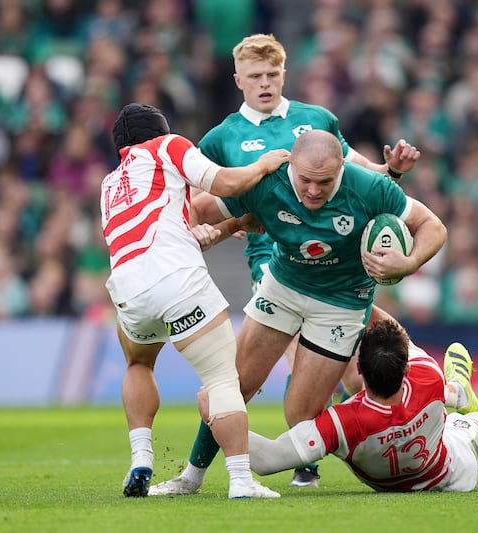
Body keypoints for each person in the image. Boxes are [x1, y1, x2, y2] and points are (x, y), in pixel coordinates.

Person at [150, 32, 423, 492]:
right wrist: (203, 230)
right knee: (246, 375)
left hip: (337, 257)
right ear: (237, 79)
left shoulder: (315, 120)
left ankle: (313, 449)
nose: (264, 83)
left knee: (320, 352)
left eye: (272, 74)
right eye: (254, 76)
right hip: (271, 252)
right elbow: (197, 198)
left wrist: (392, 170)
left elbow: (356, 173)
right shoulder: (221, 139)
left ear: (284, 74)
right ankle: (215, 471)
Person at [100, 102, 290, 498]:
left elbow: (170, 238)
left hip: (128, 290)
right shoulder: (166, 147)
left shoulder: (111, 185)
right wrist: (264, 164)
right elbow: (225, 183)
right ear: (159, 129)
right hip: (177, 281)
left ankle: (141, 457)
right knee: (221, 377)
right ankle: (240, 480)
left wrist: (232, 225)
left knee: (137, 362)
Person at [233, 306, 478, 492]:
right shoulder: (425, 376)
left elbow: (265, 460)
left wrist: (220, 415)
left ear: (360, 369)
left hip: (385, 476)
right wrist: (365, 297)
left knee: (451, 405)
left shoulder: (342, 423)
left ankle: (459, 393)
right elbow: (403, 338)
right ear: (405, 368)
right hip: (451, 467)